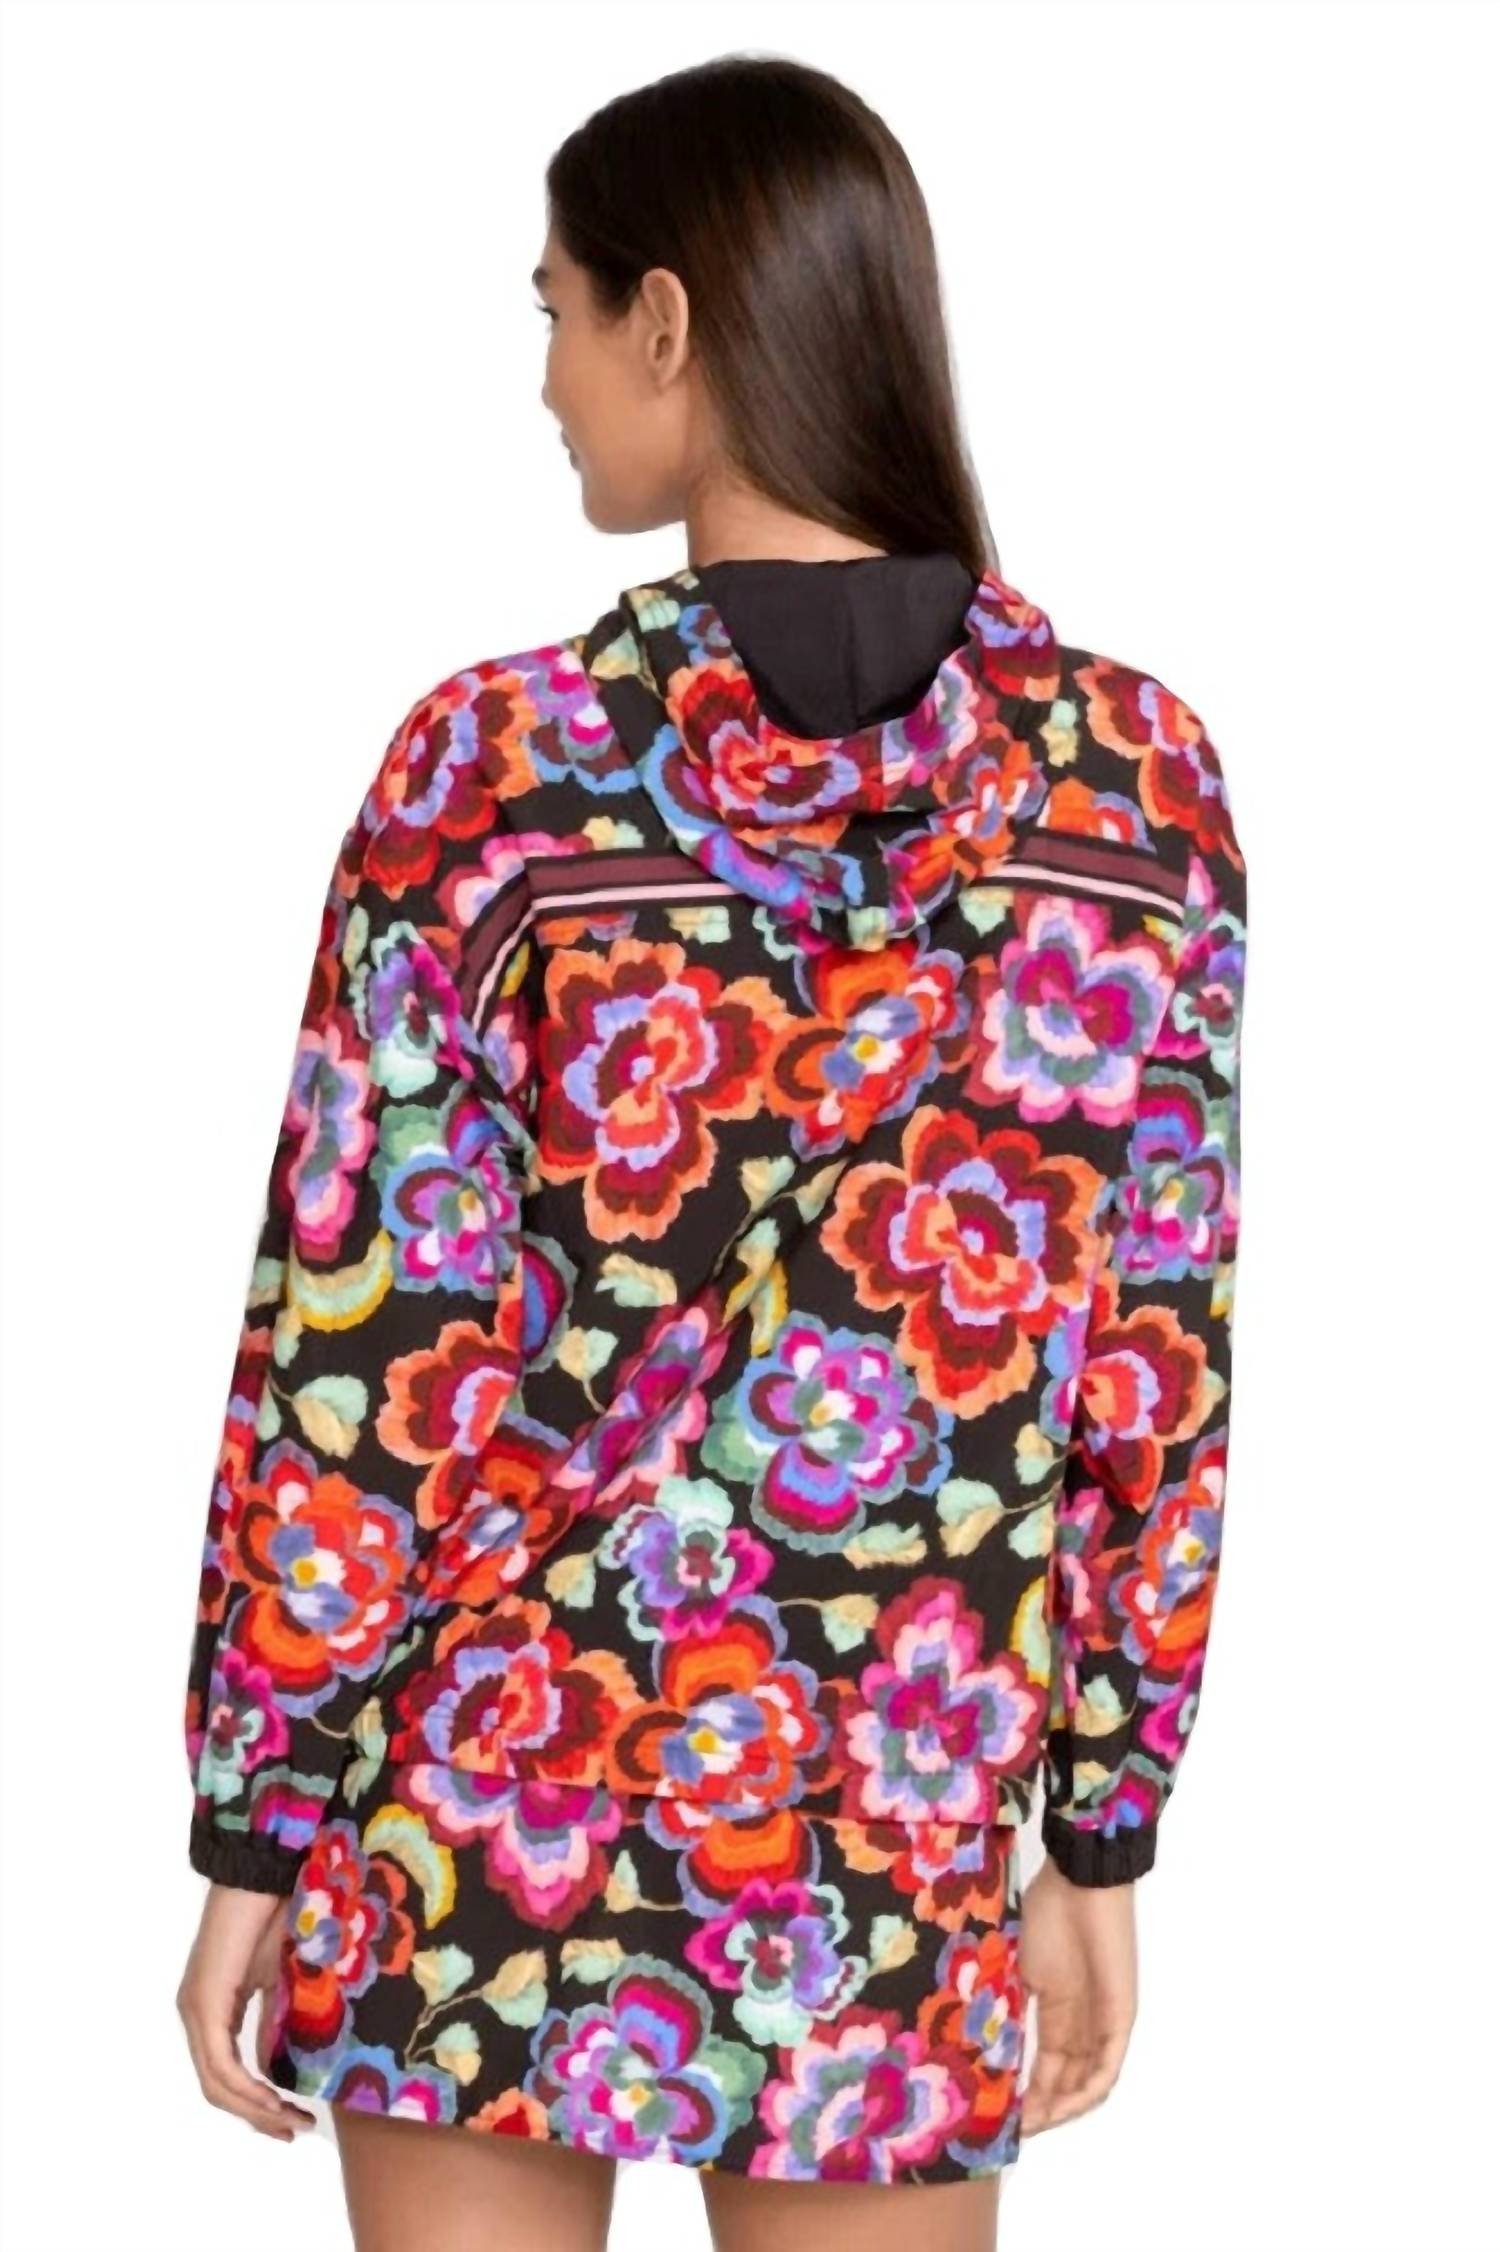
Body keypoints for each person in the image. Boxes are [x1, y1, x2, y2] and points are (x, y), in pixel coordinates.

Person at [177, 51, 1247, 2252]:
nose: (546, 380)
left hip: (476, 1795)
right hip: (894, 1811)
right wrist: (1100, 1826)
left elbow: (360, 1349)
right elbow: (1154, 1359)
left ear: (666, 320)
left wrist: (256, 1826)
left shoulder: (496, 774)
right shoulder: (1136, 792)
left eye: (556, 309)